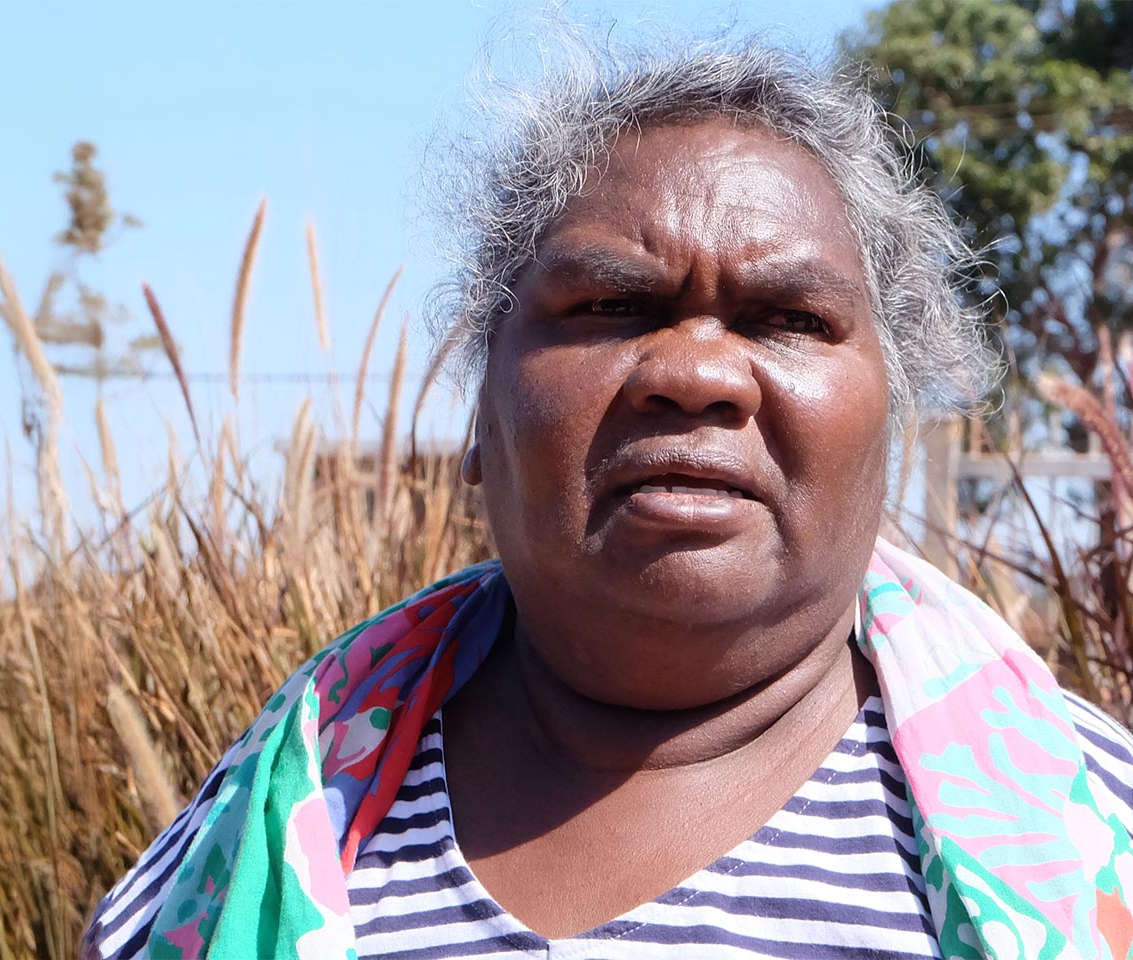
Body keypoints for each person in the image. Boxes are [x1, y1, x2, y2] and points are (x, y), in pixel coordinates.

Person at [84, 39, 1133, 960]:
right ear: (479, 421)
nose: (697, 372)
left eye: (788, 318)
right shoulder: (265, 833)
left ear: (888, 425)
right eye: (612, 305)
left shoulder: (1093, 833)